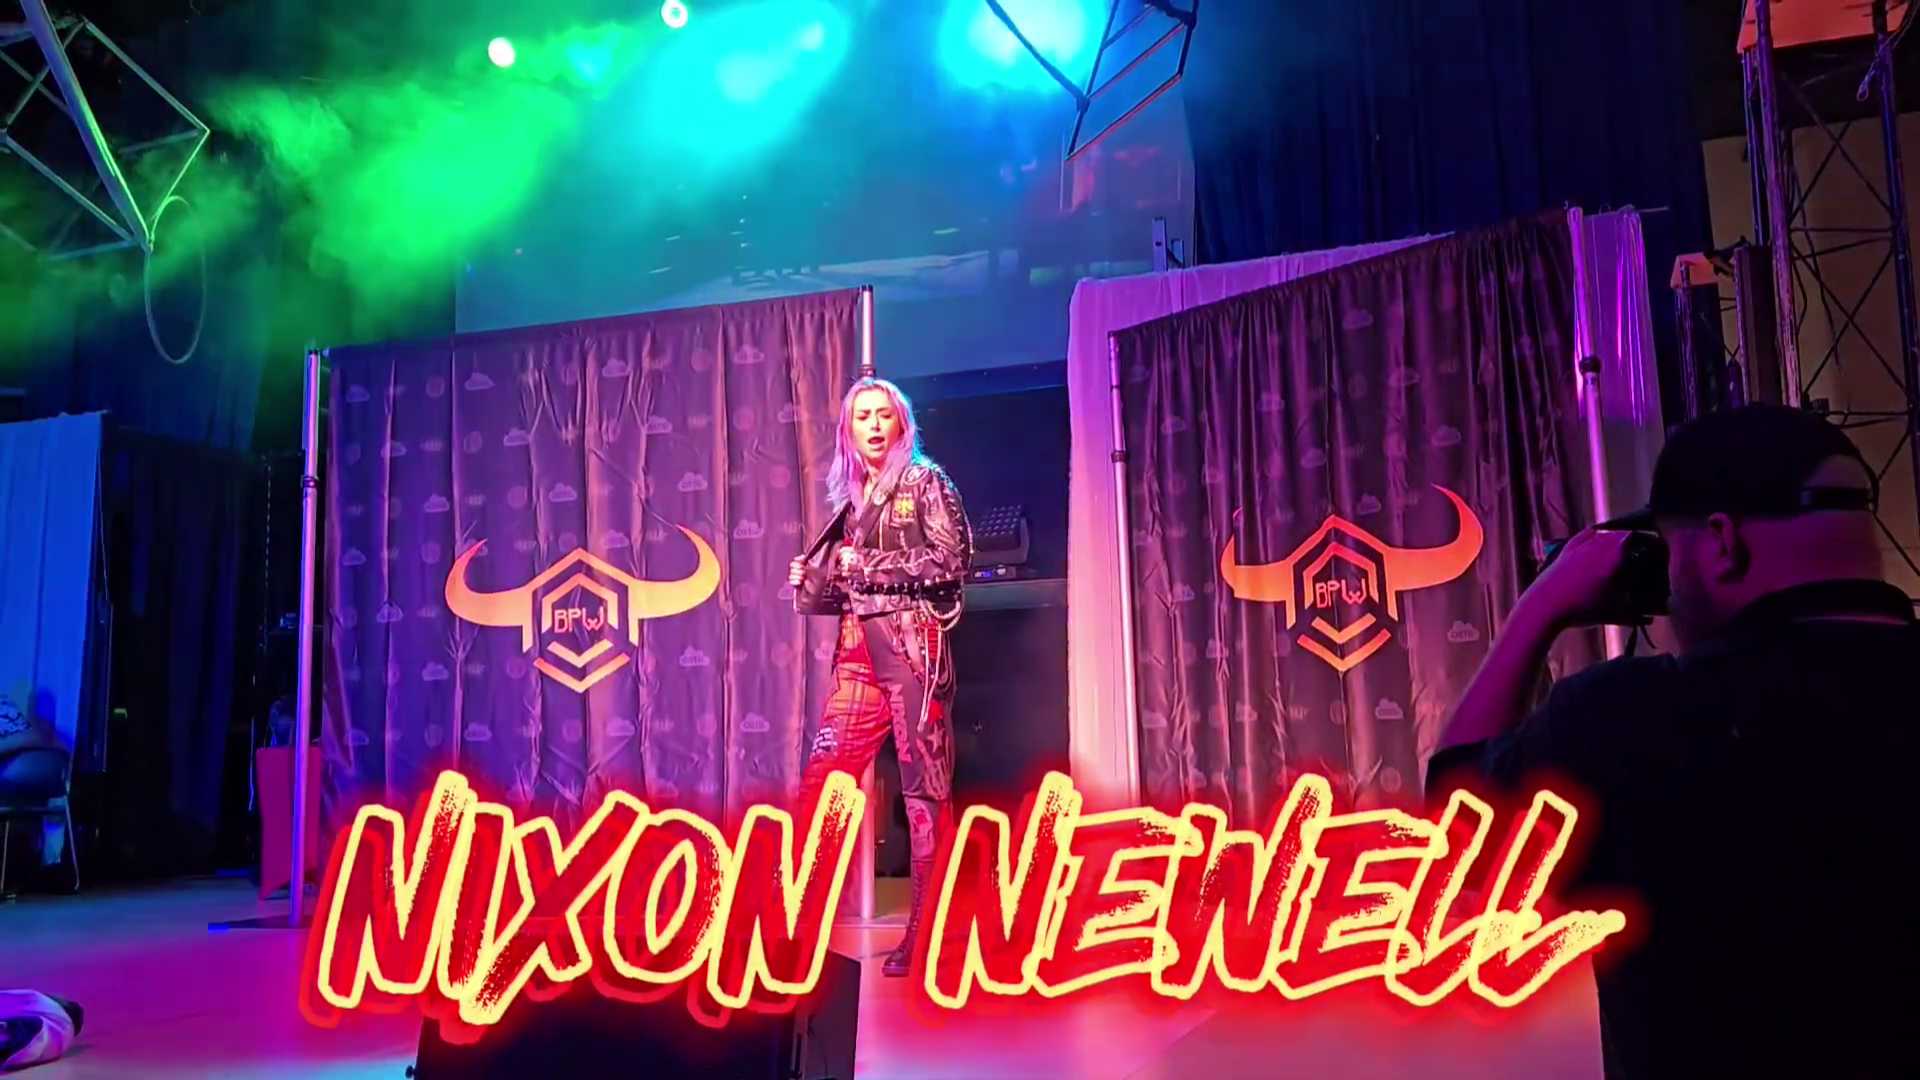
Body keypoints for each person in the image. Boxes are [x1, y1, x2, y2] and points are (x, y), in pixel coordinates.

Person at [1429, 405, 1908, 1079]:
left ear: (1721, 544)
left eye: (1671, 556)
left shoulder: (1628, 718)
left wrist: (1539, 606)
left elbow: (1461, 830)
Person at [787, 376, 971, 978]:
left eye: (882, 414)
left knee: (924, 797)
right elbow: (849, 590)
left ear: (901, 424)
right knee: (824, 788)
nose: (872, 424)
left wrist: (864, 563)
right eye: (861, 415)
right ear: (847, 429)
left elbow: (952, 559)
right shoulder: (851, 499)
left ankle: (928, 932)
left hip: (913, 652)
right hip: (857, 656)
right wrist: (814, 582)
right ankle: (797, 930)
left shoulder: (924, 481)